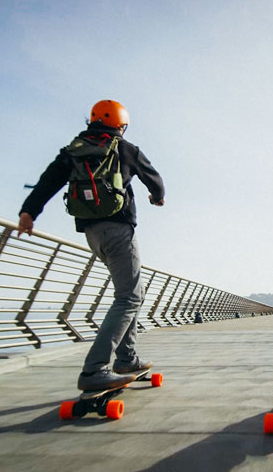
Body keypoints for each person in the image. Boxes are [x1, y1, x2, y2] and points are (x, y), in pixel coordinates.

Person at [17, 99, 165, 391]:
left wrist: (28, 212)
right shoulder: (125, 148)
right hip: (119, 229)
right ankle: (95, 369)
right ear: (121, 125)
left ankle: (127, 358)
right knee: (129, 297)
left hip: (91, 233)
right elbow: (156, 180)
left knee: (133, 292)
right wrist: (156, 197)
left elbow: (47, 182)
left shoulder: (73, 151)